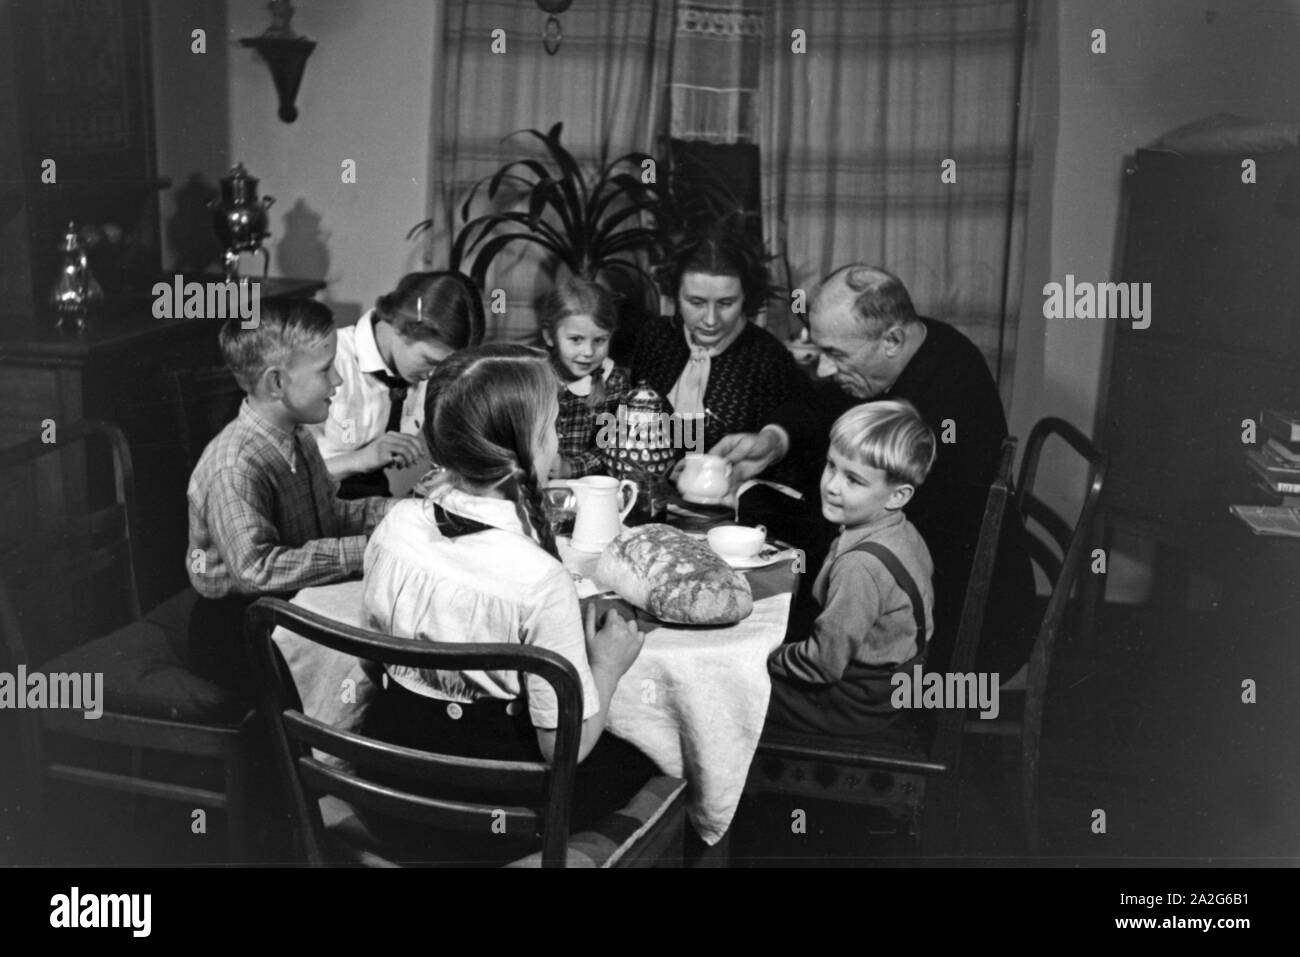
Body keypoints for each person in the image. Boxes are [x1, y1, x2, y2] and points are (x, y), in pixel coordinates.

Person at [360, 344, 657, 846]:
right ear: (528, 445)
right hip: (484, 819)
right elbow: (562, 745)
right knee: (652, 758)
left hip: (389, 790)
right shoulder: (540, 581)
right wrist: (609, 664)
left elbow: (375, 663)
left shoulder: (396, 524)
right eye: (552, 427)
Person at [714, 264, 1036, 678]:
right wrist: (773, 441)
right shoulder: (907, 343)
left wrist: (760, 514)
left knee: (742, 632)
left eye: (836, 355)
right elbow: (820, 401)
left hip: (946, 632)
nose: (826, 369)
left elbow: (872, 533)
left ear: (892, 340)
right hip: (888, 571)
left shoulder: (944, 407)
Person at [183, 298, 396, 692]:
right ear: (276, 382)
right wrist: (366, 552)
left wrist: (395, 514)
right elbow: (256, 570)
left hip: (288, 604)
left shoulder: (298, 436)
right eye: (324, 370)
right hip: (238, 627)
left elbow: (327, 513)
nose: (337, 381)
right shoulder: (234, 464)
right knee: (380, 662)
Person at [766, 401, 935, 737]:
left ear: (897, 496)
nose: (831, 485)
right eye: (831, 466)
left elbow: (821, 666)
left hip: (856, 702)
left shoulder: (861, 567)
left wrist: (765, 656)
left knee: (729, 686)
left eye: (853, 480)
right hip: (892, 686)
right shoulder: (900, 530)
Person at [629, 228, 814, 471]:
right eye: (696, 302)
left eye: (726, 303)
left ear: (745, 297)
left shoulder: (768, 356)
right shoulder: (655, 337)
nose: (711, 319)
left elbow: (786, 454)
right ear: (676, 294)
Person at [309, 271, 483, 499]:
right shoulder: (327, 362)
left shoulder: (413, 371)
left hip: (372, 504)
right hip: (313, 509)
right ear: (401, 327)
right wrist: (361, 459)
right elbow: (285, 478)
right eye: (430, 361)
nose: (434, 374)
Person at [538, 277, 631, 478]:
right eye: (576, 339)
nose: (588, 352)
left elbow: (613, 446)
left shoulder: (614, 382)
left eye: (599, 340)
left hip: (588, 487)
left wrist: (571, 468)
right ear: (549, 335)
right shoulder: (534, 377)